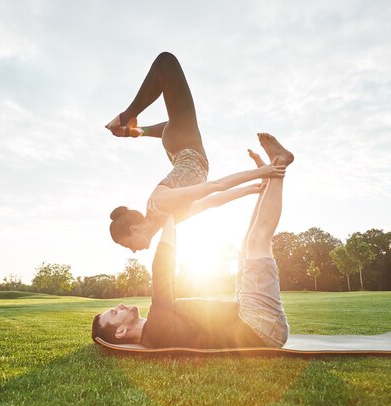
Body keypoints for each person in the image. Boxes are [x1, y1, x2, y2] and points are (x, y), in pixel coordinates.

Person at [92, 133, 294, 348]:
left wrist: (252, 189)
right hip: (258, 325)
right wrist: (168, 217)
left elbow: (208, 201)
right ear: (121, 331)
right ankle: (279, 164)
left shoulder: (155, 327)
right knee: (257, 242)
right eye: (114, 312)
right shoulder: (156, 331)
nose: (120, 306)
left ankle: (270, 180)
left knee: (247, 246)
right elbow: (162, 273)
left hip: (251, 317)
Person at [106, 52, 285, 253]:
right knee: (176, 121)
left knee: (166, 63)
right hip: (176, 145)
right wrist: (252, 189)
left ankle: (126, 118)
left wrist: (264, 171)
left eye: (128, 244)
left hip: (186, 150)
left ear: (135, 228)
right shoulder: (169, 220)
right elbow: (211, 202)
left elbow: (215, 186)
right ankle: (134, 130)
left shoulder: (159, 203)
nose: (133, 251)